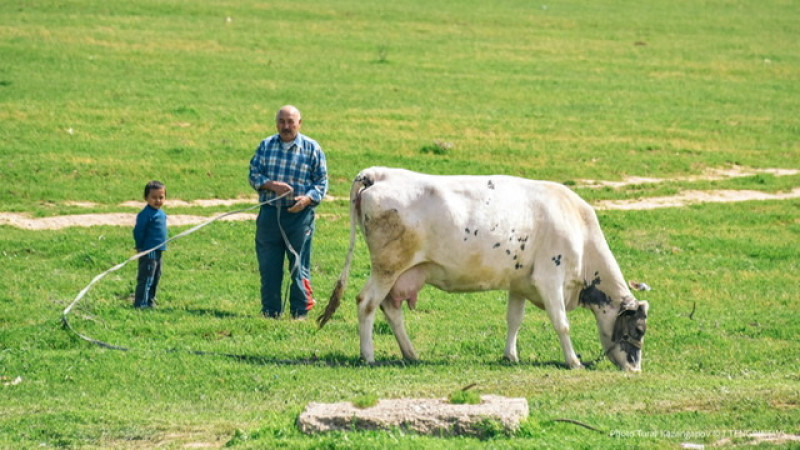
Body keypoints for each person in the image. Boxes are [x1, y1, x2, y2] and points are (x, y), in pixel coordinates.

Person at [249, 105, 328, 319]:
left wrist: (307, 199)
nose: (286, 126)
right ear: (276, 123)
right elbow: (253, 174)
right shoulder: (265, 146)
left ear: (299, 123)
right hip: (270, 216)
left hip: (299, 217)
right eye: (282, 121)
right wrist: (271, 185)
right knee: (269, 266)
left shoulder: (312, 149)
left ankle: (300, 312)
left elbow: (322, 182)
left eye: (290, 121)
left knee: (298, 265)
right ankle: (270, 311)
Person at [132, 180, 168, 309]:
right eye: (154, 197)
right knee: (146, 278)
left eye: (161, 197)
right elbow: (138, 231)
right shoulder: (145, 214)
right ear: (146, 198)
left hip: (159, 250)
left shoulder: (162, 214)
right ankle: (140, 303)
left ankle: (150, 301)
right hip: (149, 250)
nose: (158, 200)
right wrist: (140, 246)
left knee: (156, 276)